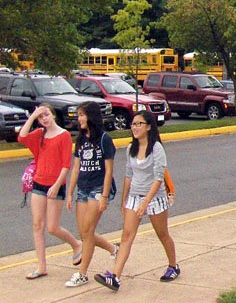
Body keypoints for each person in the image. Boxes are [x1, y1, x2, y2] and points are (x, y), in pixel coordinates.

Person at [94, 111, 179, 291]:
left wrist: (146, 202)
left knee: (162, 234)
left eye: (139, 124)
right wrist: (124, 200)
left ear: (148, 127)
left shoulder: (156, 148)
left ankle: (173, 266)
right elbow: (128, 175)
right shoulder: (130, 149)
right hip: (134, 196)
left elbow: (158, 177)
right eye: (133, 124)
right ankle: (115, 277)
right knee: (126, 236)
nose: (135, 127)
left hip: (154, 198)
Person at [19, 104, 82, 280]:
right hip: (39, 183)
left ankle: (76, 244)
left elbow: (66, 164)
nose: (44, 119)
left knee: (52, 227)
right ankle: (41, 266)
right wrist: (33, 117)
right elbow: (22, 137)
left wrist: (56, 184)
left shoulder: (64, 135)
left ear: (53, 115)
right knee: (37, 225)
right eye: (41, 117)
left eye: (46, 115)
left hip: (56, 185)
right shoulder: (39, 134)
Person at [65, 102, 118, 288]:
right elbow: (76, 168)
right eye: (78, 115)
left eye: (81, 115)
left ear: (91, 116)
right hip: (83, 188)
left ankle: (82, 273)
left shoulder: (104, 139)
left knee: (87, 231)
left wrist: (104, 196)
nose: (79, 119)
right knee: (84, 232)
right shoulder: (80, 140)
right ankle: (114, 248)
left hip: (98, 188)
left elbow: (109, 170)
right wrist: (70, 193)